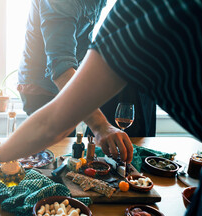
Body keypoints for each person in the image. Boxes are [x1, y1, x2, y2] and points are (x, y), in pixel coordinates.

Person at [0, 0, 202, 216]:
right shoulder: (142, 11)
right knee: (51, 159)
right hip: (42, 86)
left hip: (69, 86)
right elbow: (55, 109)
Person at [17, 0, 156, 138]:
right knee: (54, 148)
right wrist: (101, 127)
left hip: (68, 80)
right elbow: (61, 68)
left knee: (67, 148)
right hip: (43, 87)